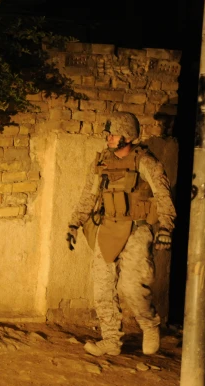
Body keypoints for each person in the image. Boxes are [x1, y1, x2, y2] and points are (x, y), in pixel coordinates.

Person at [66, 112, 176, 356]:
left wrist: (166, 227)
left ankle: (149, 324)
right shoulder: (102, 162)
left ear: (128, 136)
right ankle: (111, 341)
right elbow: (89, 195)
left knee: (132, 287)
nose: (109, 137)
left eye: (113, 133)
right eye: (108, 133)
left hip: (137, 229)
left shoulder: (146, 162)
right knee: (102, 288)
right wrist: (74, 223)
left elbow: (163, 196)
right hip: (107, 227)